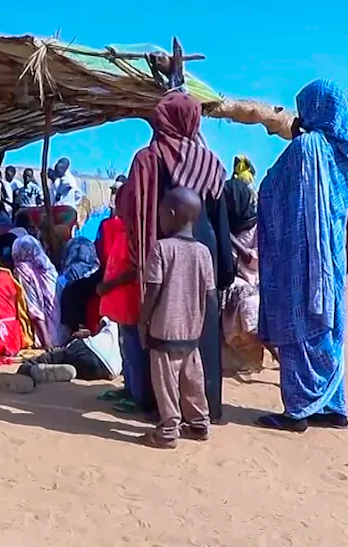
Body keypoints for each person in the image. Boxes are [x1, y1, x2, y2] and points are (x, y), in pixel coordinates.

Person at [121, 92, 235, 423]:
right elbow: (220, 219)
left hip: (163, 253)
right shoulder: (210, 162)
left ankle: (163, 412)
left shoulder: (148, 158)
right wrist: (225, 268)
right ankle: (205, 411)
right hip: (204, 251)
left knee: (162, 327)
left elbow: (131, 210)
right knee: (201, 329)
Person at [256, 80, 348, 433]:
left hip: (301, 255)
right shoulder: (345, 153)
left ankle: (299, 408)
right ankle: (333, 405)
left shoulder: (307, 149)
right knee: (328, 324)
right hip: (329, 256)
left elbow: (272, 188)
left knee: (300, 323)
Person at [137, 187, 216, 449]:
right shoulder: (203, 252)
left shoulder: (161, 248)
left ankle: (168, 430)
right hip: (192, 331)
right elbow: (211, 294)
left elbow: (153, 290)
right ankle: (199, 423)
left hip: (164, 330)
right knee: (192, 379)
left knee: (166, 382)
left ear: (170, 214)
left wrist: (143, 320)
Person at [95, 183, 147, 412]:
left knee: (134, 348)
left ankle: (138, 396)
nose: (117, 205)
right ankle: (129, 387)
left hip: (129, 300)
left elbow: (136, 269)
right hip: (119, 302)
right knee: (125, 346)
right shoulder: (123, 229)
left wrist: (109, 285)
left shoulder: (137, 233)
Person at [221, 168, 265, 372]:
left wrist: (228, 237)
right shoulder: (224, 225)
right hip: (234, 281)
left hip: (257, 280)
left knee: (251, 304)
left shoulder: (258, 227)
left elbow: (253, 260)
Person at [11, 235, 61, 348]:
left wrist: (47, 343)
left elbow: (34, 308)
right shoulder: (48, 266)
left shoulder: (23, 270)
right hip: (61, 332)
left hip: (44, 336)